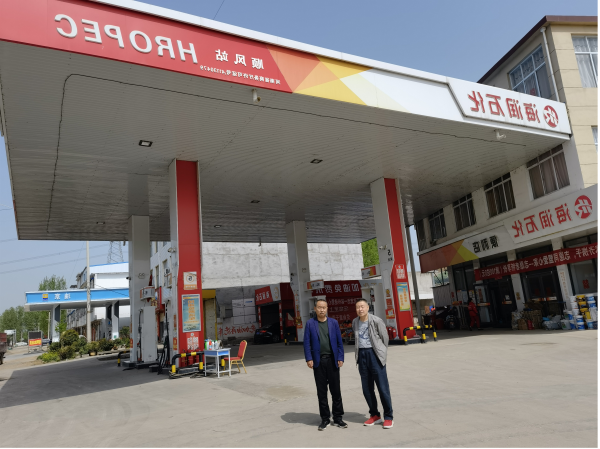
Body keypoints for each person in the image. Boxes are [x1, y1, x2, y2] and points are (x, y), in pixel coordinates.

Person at [304, 298, 347, 431]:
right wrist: (309, 358)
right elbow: (306, 343)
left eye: (324, 307)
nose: (321, 310)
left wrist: (340, 357)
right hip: (318, 361)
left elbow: (339, 342)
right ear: (315, 309)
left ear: (327, 309)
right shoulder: (310, 323)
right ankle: (325, 419)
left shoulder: (333, 323)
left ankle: (338, 418)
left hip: (332, 360)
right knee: (321, 392)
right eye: (319, 307)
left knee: (336, 390)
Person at [352, 298, 394, 430]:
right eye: (358, 307)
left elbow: (385, 338)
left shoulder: (376, 320)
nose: (360, 309)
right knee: (367, 389)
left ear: (367, 307)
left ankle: (388, 417)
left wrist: (381, 353)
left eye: (362, 306)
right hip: (362, 356)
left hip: (375, 355)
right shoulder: (355, 322)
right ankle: (375, 415)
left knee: (382, 388)